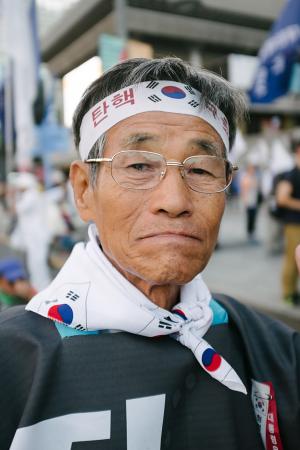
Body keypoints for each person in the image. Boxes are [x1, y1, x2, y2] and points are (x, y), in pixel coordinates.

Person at [0, 57, 300, 450]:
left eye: (201, 169)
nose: (174, 201)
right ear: (83, 190)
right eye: (139, 165)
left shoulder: (270, 348)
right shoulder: (13, 361)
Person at [276, 138, 300, 305]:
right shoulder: (292, 174)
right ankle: (288, 294)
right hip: (293, 224)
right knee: (292, 258)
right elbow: (282, 199)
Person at [240, 163, 262, 243]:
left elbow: (257, 187)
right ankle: (250, 233)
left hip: (254, 201)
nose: (253, 170)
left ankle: (252, 232)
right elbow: (244, 190)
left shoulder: (254, 177)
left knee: (254, 217)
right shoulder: (246, 177)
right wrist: (245, 201)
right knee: (250, 218)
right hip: (249, 201)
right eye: (252, 168)